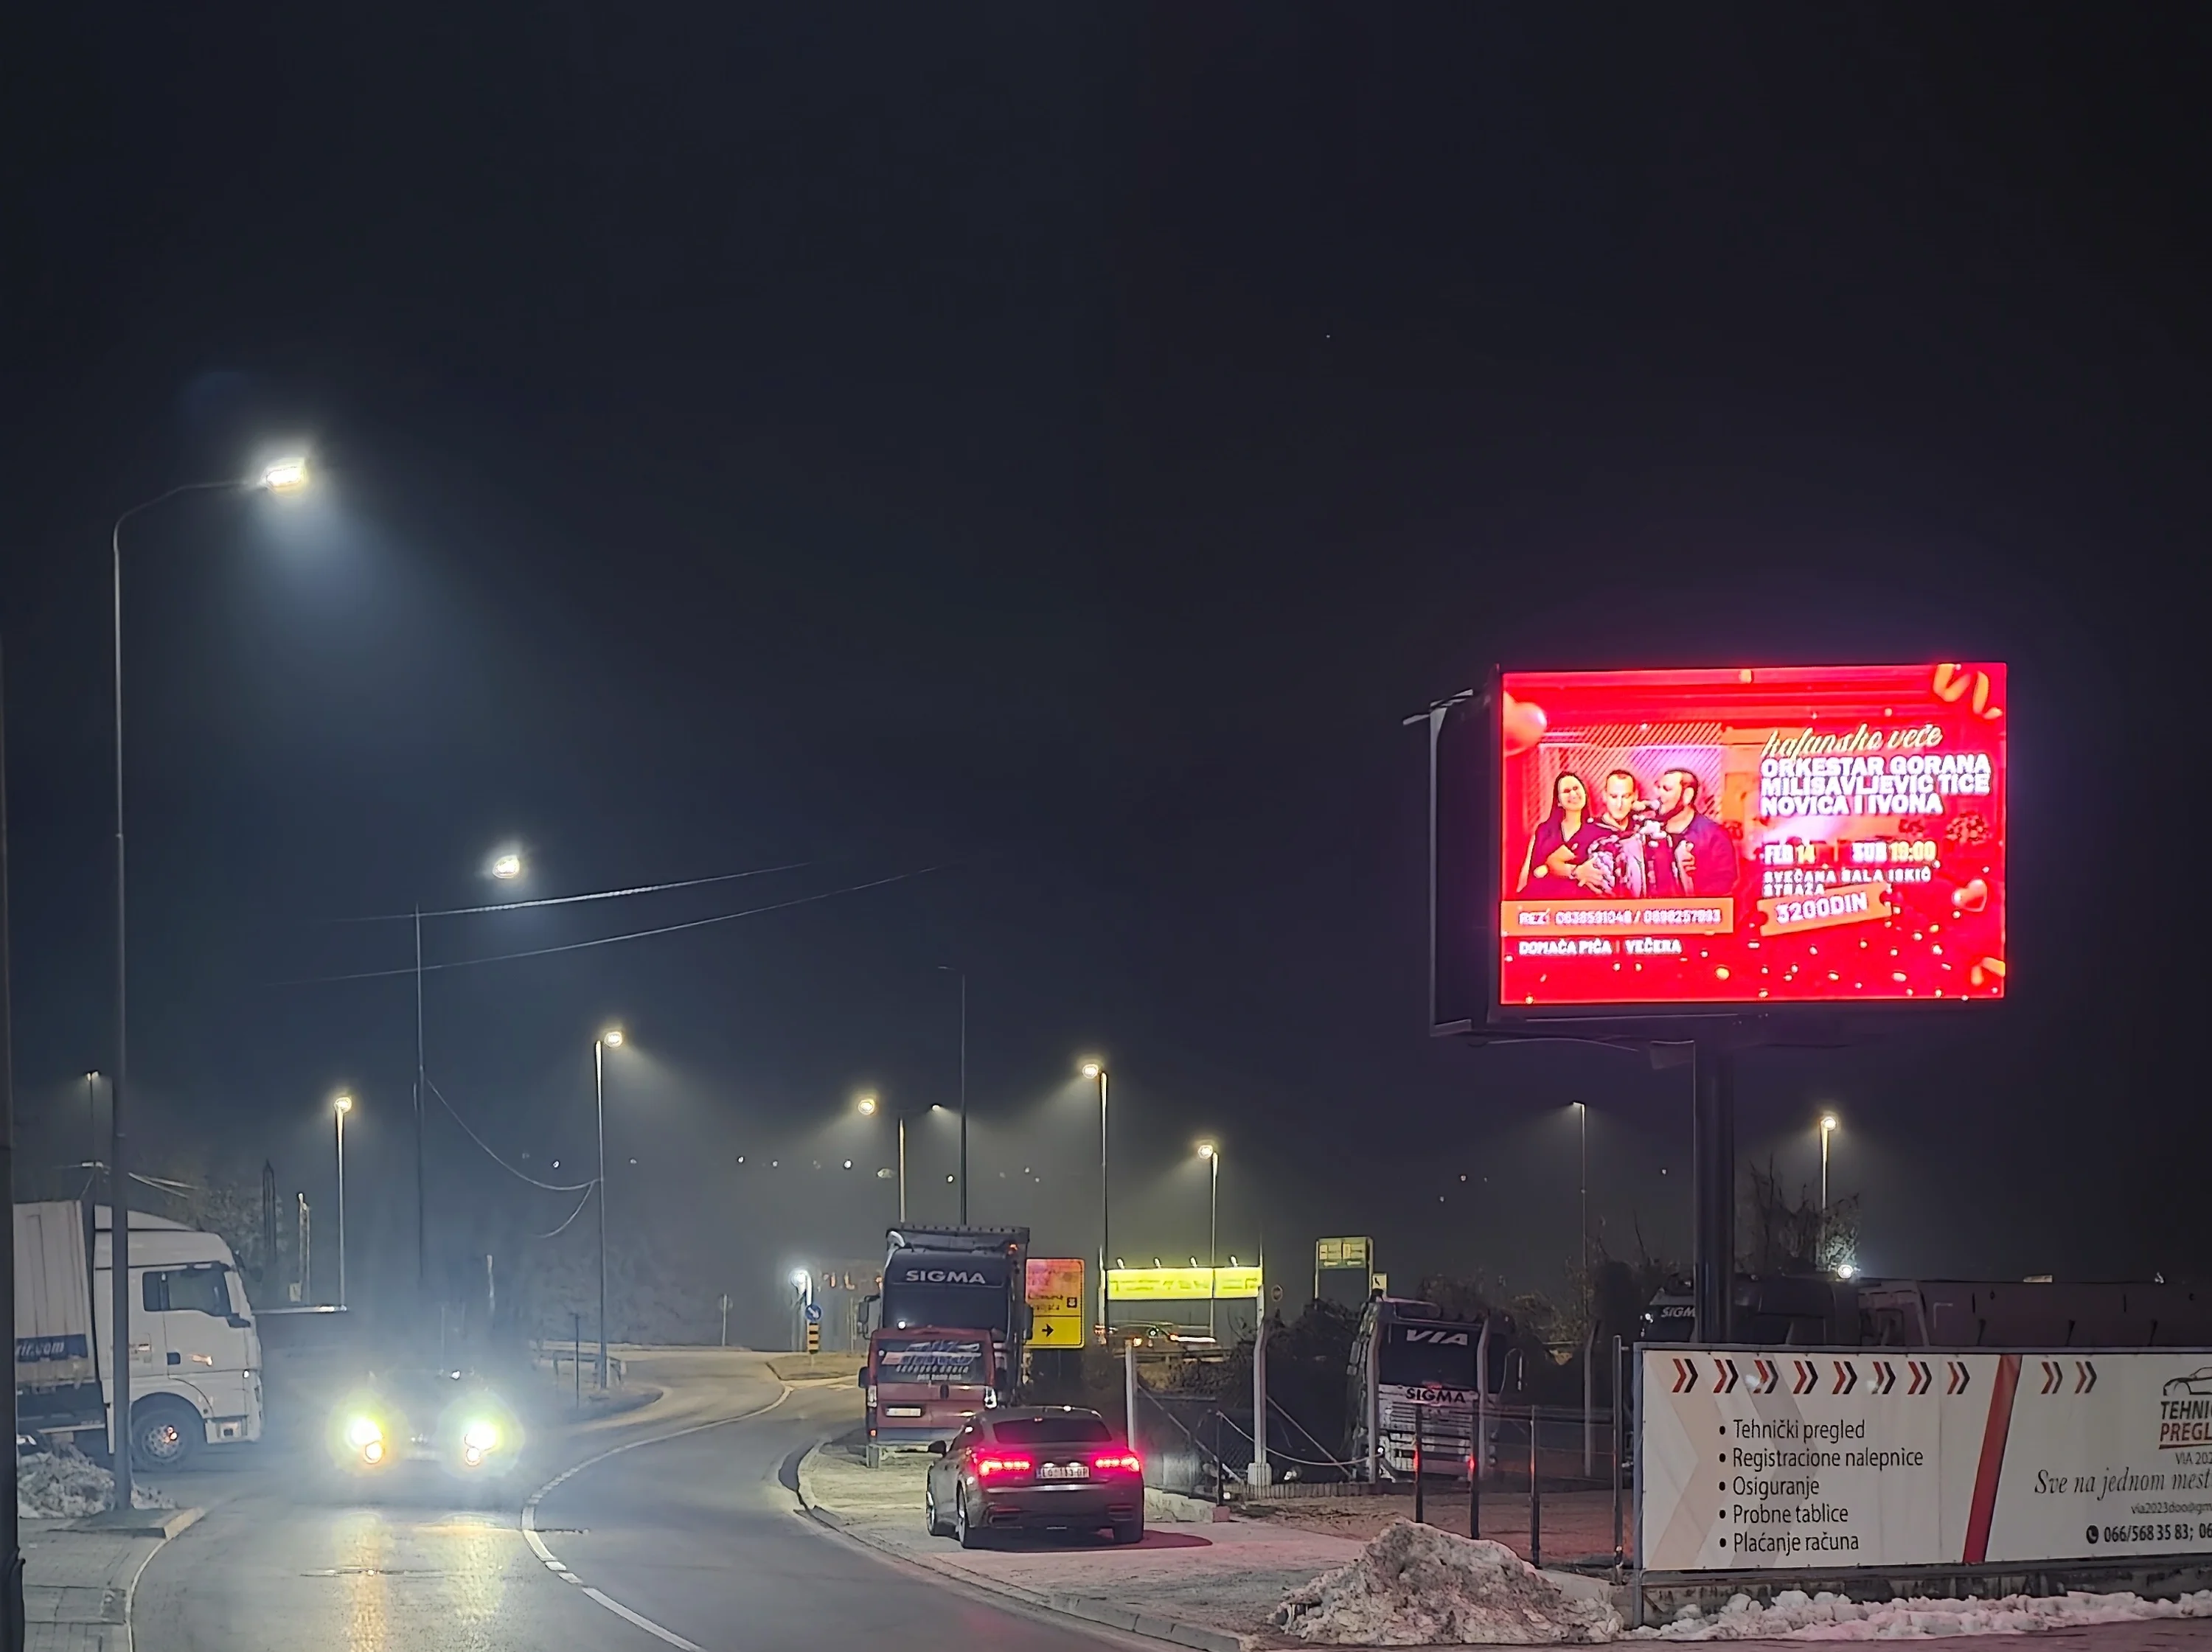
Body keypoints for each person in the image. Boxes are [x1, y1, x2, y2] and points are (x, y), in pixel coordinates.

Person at [1652, 767, 1739, 898]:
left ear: (1687, 795)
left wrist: (1696, 876)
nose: (1660, 795)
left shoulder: (1715, 835)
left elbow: (1725, 882)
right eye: (1659, 788)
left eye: (1667, 789)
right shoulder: (1649, 833)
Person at [1570, 770, 1645, 896]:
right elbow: (1553, 862)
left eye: (1626, 796)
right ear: (1604, 796)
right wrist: (1576, 871)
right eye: (1614, 797)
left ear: (1635, 796)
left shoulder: (1645, 828)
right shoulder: (1586, 830)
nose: (1619, 804)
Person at [1515, 772, 1592, 894]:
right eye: (1566, 791)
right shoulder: (1544, 830)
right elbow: (1527, 870)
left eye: (1576, 788)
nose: (1573, 794)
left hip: (1578, 905)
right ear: (1558, 802)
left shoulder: (1596, 831)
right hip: (1541, 900)